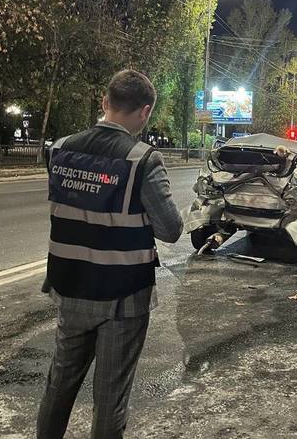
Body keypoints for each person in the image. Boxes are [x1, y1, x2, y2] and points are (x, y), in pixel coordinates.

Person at [37, 69, 183, 439]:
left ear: (105, 102)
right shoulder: (142, 159)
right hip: (123, 296)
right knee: (110, 397)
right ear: (145, 111)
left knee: (60, 383)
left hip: (70, 287)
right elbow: (170, 229)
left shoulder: (60, 149)